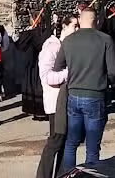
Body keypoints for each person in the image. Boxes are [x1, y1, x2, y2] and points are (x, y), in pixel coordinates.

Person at [54, 7, 115, 170]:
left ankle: (67, 174)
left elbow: (57, 65)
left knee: (71, 142)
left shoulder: (68, 40)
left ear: (80, 21)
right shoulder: (105, 40)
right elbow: (114, 72)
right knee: (92, 146)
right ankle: (90, 172)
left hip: (73, 94)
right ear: (96, 21)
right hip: (95, 94)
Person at [36, 13, 79, 178]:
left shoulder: (69, 47)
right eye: (74, 26)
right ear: (65, 26)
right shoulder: (51, 48)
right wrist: (69, 73)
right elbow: (47, 77)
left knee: (66, 141)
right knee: (56, 140)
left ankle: (62, 174)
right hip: (55, 102)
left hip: (68, 100)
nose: (77, 30)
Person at [15, 0, 54, 120]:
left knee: (35, 88)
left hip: (33, 65)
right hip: (41, 63)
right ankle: (44, 111)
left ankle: (38, 112)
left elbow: (19, 46)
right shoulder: (44, 32)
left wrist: (26, 33)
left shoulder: (31, 34)